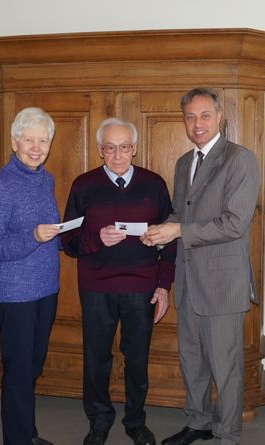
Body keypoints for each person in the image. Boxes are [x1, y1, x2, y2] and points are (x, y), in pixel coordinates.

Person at [142, 87, 260, 445]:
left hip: (223, 284)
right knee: (192, 361)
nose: (198, 124)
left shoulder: (240, 159)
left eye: (205, 115)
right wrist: (162, 231)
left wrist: (179, 229)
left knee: (226, 369)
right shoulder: (183, 163)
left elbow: (233, 223)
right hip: (190, 280)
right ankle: (198, 423)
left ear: (219, 117)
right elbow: (183, 213)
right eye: (190, 116)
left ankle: (227, 433)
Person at [61, 117, 176, 445]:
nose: (117, 154)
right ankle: (98, 420)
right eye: (110, 148)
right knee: (96, 357)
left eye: (124, 147)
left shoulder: (154, 184)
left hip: (141, 286)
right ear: (100, 150)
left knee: (137, 357)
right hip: (96, 286)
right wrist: (96, 239)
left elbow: (170, 241)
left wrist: (163, 285)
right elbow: (67, 242)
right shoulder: (83, 185)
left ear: (134, 149)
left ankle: (135, 421)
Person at [0, 107, 60, 445]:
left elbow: (49, 231)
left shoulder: (46, 178)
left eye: (42, 140)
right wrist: (33, 236)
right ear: (15, 143)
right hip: (15, 292)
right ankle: (17, 440)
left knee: (33, 366)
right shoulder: (2, 186)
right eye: (29, 139)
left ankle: (27, 433)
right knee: (17, 371)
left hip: (46, 287)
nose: (36, 146)